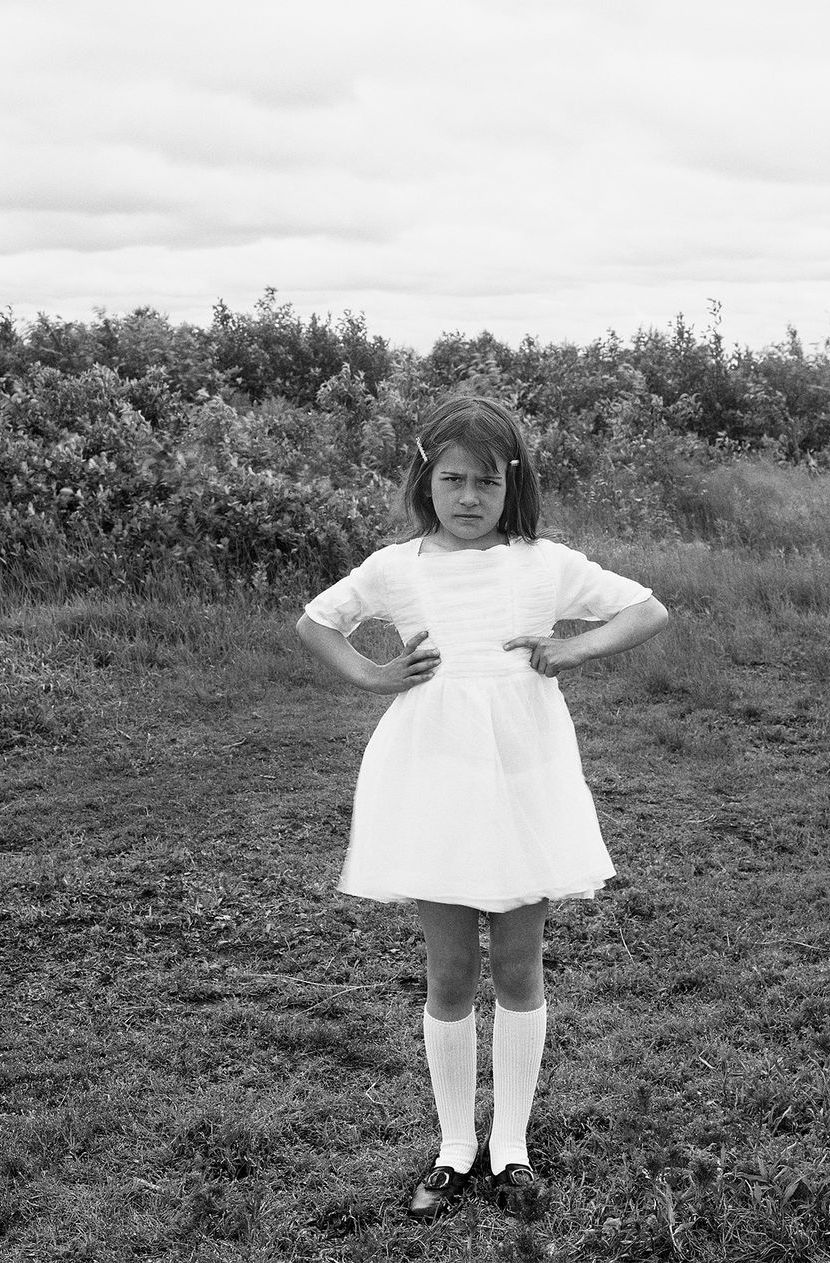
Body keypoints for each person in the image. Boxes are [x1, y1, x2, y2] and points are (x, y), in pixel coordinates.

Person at [295, 396, 669, 1222]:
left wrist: (570, 647)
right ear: (426, 480)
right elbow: (319, 620)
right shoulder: (398, 567)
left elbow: (646, 608)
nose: (468, 497)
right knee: (451, 971)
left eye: (486, 482)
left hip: (525, 779)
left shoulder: (542, 563)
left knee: (518, 965)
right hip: (433, 779)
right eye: (451, 479)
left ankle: (513, 1147)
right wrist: (368, 673)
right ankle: (455, 1145)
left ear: (513, 484)